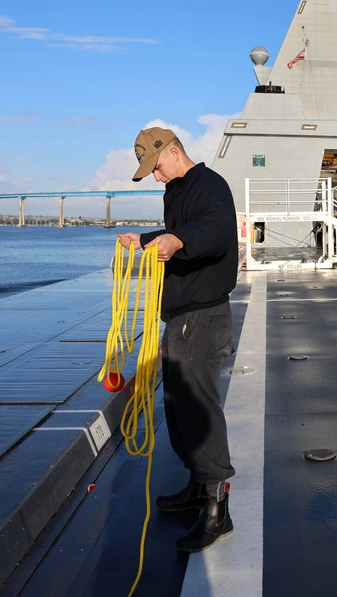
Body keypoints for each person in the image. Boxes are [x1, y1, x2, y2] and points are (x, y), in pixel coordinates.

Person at [117, 126, 238, 553]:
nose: (155, 176)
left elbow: (217, 231)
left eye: (157, 166)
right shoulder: (177, 191)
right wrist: (148, 239)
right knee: (176, 405)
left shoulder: (210, 185)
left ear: (173, 151)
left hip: (203, 317)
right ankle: (197, 485)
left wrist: (177, 238)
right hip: (181, 316)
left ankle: (217, 512)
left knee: (200, 409)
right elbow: (180, 234)